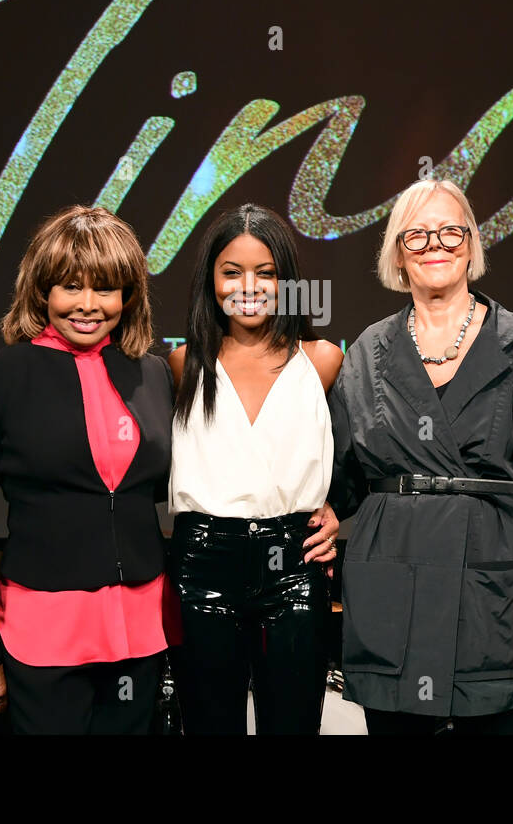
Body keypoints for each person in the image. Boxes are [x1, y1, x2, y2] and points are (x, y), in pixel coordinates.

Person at [326, 179, 513, 735]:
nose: (434, 244)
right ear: (398, 253)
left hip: (492, 593)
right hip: (391, 588)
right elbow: (341, 481)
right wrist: (319, 510)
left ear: (470, 244)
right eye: (417, 235)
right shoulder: (368, 351)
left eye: (449, 231)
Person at [0, 205, 176, 734]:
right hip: (43, 630)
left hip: (141, 626)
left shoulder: (154, 373)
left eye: (107, 289)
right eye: (72, 287)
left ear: (129, 296)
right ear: (42, 292)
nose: (89, 306)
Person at [166, 203, 342, 734]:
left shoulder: (321, 359)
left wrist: (336, 510)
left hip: (293, 561)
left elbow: (353, 457)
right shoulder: (182, 364)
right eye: (231, 272)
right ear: (210, 281)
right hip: (201, 562)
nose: (249, 285)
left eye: (266, 273)